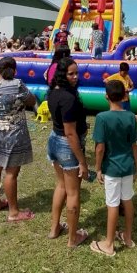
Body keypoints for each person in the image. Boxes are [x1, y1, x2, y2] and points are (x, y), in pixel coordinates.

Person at [0, 57, 37, 222]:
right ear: (14, 70)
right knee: (11, 172)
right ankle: (13, 212)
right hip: (13, 131)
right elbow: (31, 100)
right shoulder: (17, 84)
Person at [91, 80, 137, 257]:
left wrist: (97, 168)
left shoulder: (102, 118)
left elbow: (100, 147)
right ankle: (127, 237)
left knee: (112, 204)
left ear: (106, 96)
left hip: (111, 167)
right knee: (127, 200)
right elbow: (134, 145)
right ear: (124, 96)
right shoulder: (130, 116)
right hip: (128, 166)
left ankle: (109, 243)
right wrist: (136, 166)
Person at [47, 57, 90, 247]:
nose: (75, 77)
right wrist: (82, 160)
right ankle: (73, 238)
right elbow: (71, 133)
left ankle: (55, 228)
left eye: (76, 73)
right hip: (67, 144)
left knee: (61, 186)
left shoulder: (53, 92)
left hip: (54, 141)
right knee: (73, 192)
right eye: (71, 74)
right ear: (62, 75)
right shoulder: (69, 98)